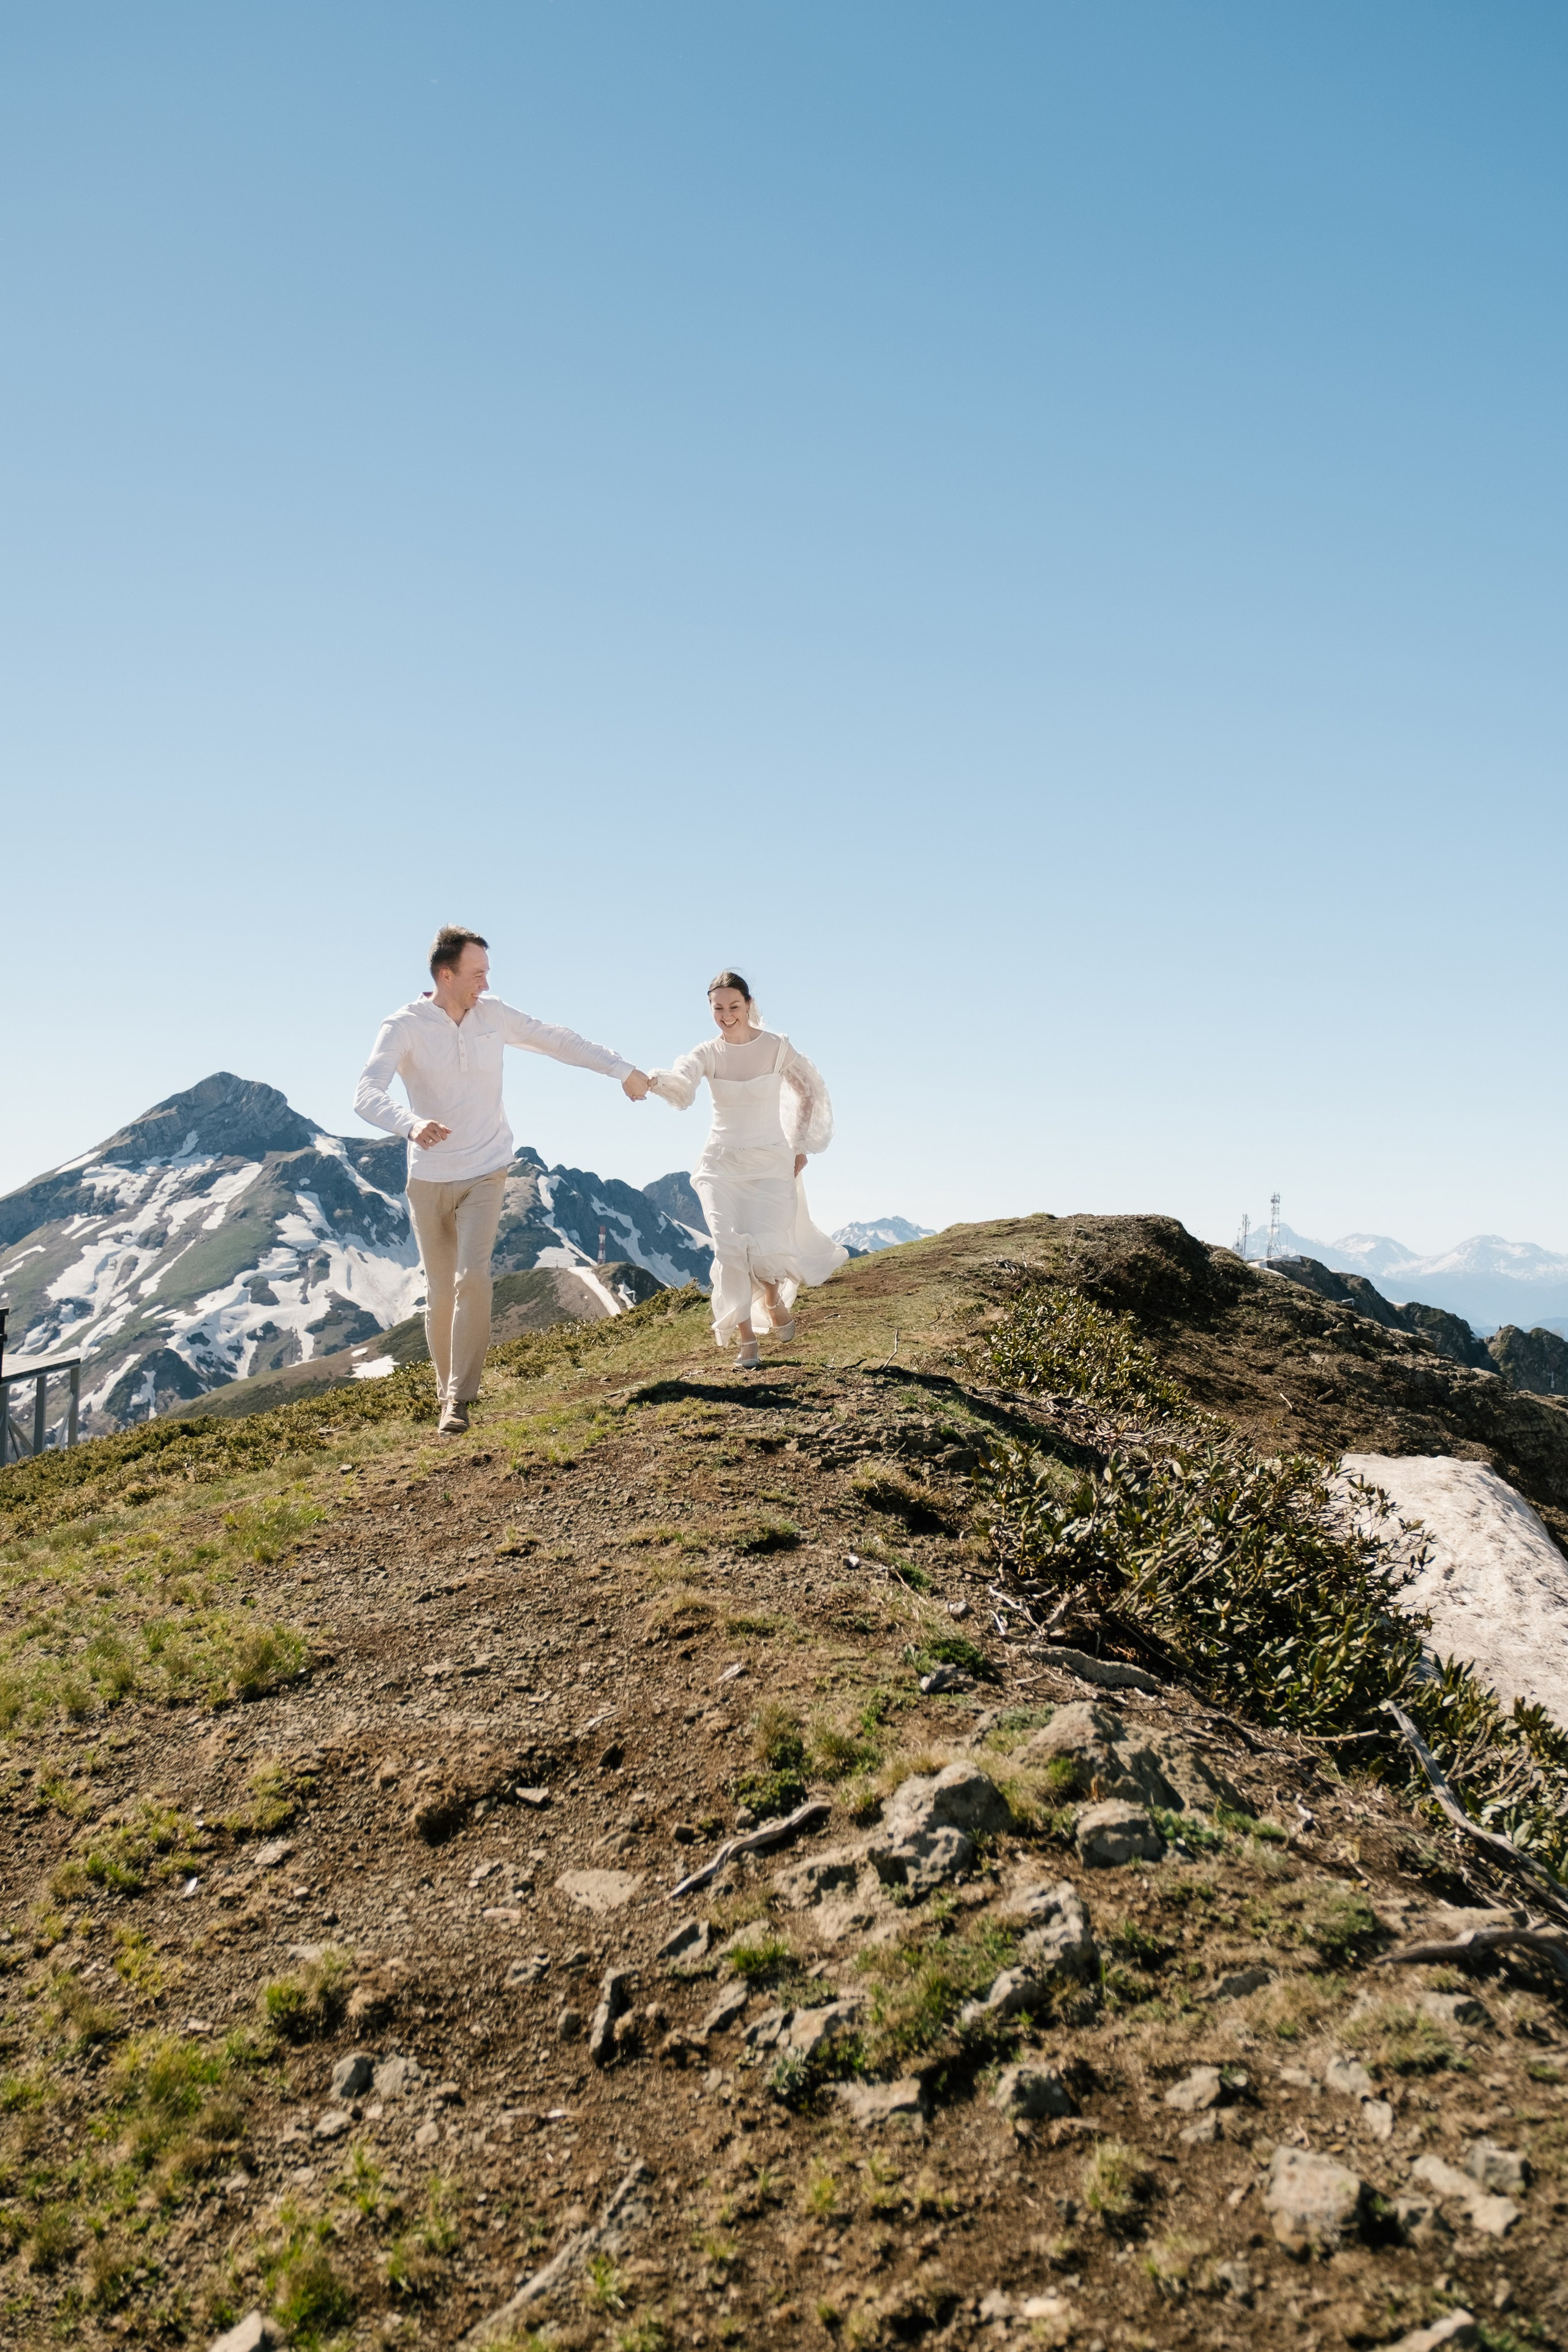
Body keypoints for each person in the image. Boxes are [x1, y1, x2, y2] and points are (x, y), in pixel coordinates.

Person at [355, 926, 650, 1434]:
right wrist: (410, 1124)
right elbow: (365, 1093)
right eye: (477, 974)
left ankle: (458, 1400)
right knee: (441, 1293)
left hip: (487, 1170)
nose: (485, 984)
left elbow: (556, 1039)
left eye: (487, 973)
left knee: (474, 1278)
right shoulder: (403, 1026)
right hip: (428, 1177)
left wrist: (620, 1068)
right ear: (445, 976)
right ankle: (446, 1392)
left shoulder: (493, 1015)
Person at [649, 971, 846, 1368]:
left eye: (734, 1006)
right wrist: (654, 1080)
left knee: (768, 1248)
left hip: (771, 1163)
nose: (726, 1015)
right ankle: (747, 1341)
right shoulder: (707, 1053)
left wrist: (801, 1143)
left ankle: (772, 1300)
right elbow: (683, 1082)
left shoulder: (777, 1048)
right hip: (720, 1164)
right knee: (728, 1248)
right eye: (718, 1008)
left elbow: (809, 1088)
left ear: (749, 1005)